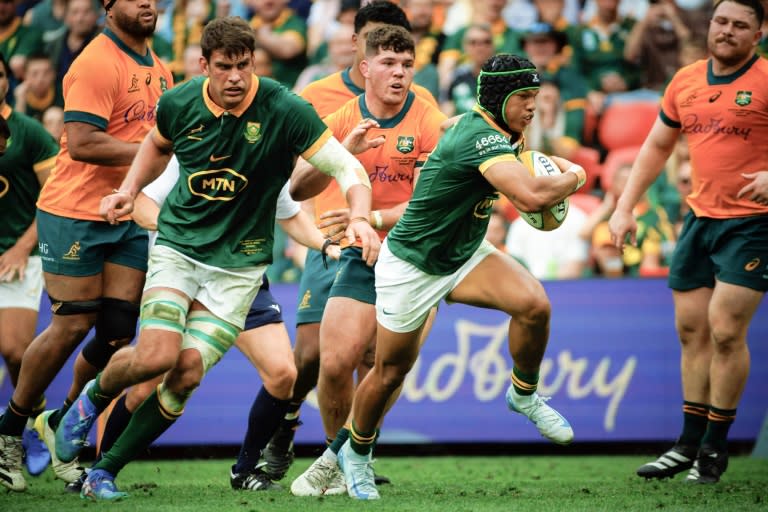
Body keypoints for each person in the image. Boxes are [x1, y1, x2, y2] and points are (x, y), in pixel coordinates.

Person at [54, 16, 378, 501]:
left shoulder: (285, 109)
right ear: (204, 65)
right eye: (224, 67)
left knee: (186, 374)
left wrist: (357, 218)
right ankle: (88, 401)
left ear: (255, 63)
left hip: (239, 271)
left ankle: (105, 471)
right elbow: (155, 144)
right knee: (157, 357)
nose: (234, 78)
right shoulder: (180, 102)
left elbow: (346, 168)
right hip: (179, 252)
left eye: (243, 66)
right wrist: (128, 191)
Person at [335, 53, 585, 500]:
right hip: (412, 264)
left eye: (536, 95)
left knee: (534, 306)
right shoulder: (480, 135)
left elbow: (514, 165)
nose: (533, 105)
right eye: (524, 96)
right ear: (499, 97)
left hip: (464, 253)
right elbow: (529, 198)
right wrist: (576, 175)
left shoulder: (501, 129)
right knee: (389, 372)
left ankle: (524, 394)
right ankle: (356, 454)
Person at [0, 0, 173, 493]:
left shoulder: (158, 66)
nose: (147, 2)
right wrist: (154, 149)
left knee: (118, 330)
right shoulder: (97, 61)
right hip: (75, 211)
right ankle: (10, 429)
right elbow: (81, 142)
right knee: (73, 323)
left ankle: (62, 422)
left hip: (125, 211)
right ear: (107, 7)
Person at [261, 0, 437, 483]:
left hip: (397, 243)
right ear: (360, 47)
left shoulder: (422, 107)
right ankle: (288, 419)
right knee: (314, 357)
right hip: (333, 235)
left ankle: (352, 456)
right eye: (381, 46)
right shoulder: (319, 96)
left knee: (376, 360)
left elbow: (429, 192)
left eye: (403, 55)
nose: (394, 63)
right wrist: (305, 232)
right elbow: (290, 174)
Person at [91, 156, 340, 493]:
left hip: (243, 277)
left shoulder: (270, 148)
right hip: (185, 275)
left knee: (283, 373)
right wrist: (188, 238)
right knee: (148, 383)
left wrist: (326, 244)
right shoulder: (194, 143)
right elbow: (142, 206)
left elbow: (290, 213)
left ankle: (245, 471)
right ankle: (98, 465)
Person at [609, 0, 768, 484]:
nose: (727, 31)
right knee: (691, 332)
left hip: (753, 223)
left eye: (740, 25)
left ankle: (715, 451)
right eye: (721, 21)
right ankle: (687, 445)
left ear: (758, 35)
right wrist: (624, 206)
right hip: (699, 219)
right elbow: (658, 145)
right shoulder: (686, 80)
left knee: (724, 330)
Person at [0, 56, 59, 490]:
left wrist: (22, 246)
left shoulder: (30, 133)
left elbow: (52, 200)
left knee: (16, 350)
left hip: (21, 256)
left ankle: (27, 424)